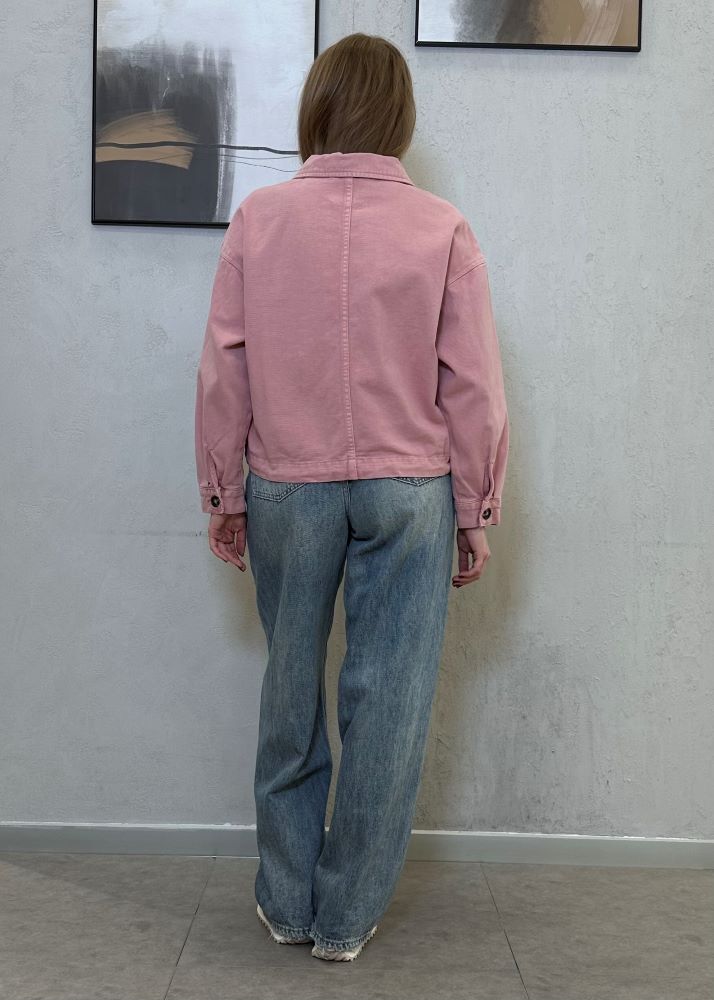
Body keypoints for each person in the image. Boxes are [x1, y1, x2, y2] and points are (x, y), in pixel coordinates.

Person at [194, 32, 509, 962]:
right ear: (398, 117)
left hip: (286, 482)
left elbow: (223, 369)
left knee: (290, 689)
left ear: (317, 108)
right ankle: (346, 918)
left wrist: (222, 489)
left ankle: (287, 901)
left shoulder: (259, 220)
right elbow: (474, 387)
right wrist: (475, 508)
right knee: (390, 705)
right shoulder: (441, 228)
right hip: (410, 488)